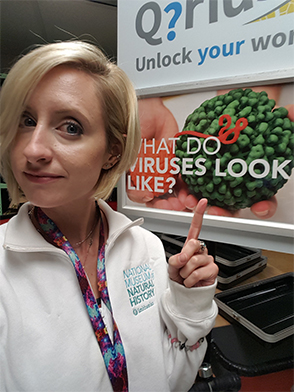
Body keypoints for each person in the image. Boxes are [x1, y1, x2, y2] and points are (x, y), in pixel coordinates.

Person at [0, 41, 218, 392]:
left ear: (112, 153)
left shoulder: (144, 247)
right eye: (26, 121)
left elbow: (173, 378)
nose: (32, 148)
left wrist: (189, 298)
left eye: (70, 127)